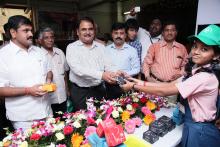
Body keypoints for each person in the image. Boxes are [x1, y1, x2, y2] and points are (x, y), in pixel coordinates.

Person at [121, 24, 220, 147]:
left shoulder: (204, 77)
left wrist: (133, 87)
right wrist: (138, 81)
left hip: (200, 131)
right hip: (194, 126)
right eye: (195, 46)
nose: (196, 52)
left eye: (204, 49)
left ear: (216, 55)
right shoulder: (197, 71)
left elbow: (166, 91)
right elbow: (168, 85)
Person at [0, 15, 53, 130]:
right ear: (13, 33)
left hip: (47, 112)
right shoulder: (3, 56)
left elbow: (49, 71)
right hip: (24, 119)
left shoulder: (39, 51)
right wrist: (28, 90)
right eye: (26, 31)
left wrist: (48, 82)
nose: (31, 34)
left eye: (31, 30)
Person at [66, 17, 119, 111]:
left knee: (101, 118)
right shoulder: (71, 48)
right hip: (80, 93)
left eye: (90, 29)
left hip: (99, 90)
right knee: (81, 122)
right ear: (77, 32)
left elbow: (109, 66)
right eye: (84, 29)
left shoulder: (101, 47)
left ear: (94, 31)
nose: (88, 32)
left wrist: (118, 74)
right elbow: (78, 69)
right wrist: (102, 75)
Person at [39, 27, 69, 117]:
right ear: (40, 40)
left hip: (62, 97)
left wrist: (67, 90)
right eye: (46, 38)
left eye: (52, 37)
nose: (50, 40)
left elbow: (65, 73)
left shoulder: (60, 52)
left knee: (64, 123)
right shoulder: (38, 55)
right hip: (47, 100)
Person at [105, 22, 140, 99]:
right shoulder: (105, 50)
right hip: (109, 87)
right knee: (109, 109)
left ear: (125, 35)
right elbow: (102, 68)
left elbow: (137, 69)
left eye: (121, 33)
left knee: (128, 109)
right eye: (116, 33)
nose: (118, 36)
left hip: (127, 85)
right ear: (112, 34)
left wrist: (124, 74)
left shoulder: (132, 50)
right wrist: (111, 74)